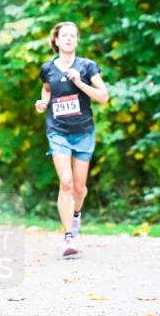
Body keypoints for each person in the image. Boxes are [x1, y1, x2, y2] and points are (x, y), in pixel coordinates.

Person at [35, 21, 109, 258]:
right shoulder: (48, 68)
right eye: (63, 35)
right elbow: (47, 88)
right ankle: (68, 237)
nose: (68, 39)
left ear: (77, 40)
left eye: (72, 35)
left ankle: (76, 214)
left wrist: (80, 83)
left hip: (84, 132)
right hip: (58, 132)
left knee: (79, 188)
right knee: (65, 183)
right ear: (56, 41)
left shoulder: (87, 67)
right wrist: (43, 102)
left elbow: (103, 97)